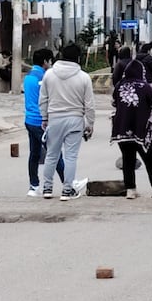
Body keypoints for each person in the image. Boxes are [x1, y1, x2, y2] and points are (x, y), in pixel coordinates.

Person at [39, 43, 95, 201]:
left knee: (51, 155)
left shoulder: (49, 75)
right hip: (75, 120)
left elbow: (43, 99)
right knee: (70, 157)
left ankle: (47, 188)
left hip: (54, 119)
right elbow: (89, 105)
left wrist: (44, 117)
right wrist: (90, 124)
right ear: (78, 58)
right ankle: (67, 190)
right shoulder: (84, 77)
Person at [111, 59, 152, 200]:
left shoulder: (119, 86)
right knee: (150, 160)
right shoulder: (146, 87)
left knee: (128, 159)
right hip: (140, 130)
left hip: (121, 130)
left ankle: (131, 190)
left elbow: (114, 102)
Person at [24, 49, 64, 196]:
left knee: (34, 154)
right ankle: (68, 182)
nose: (51, 64)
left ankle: (33, 186)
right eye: (50, 61)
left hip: (29, 120)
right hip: (40, 121)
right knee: (54, 152)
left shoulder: (28, 77)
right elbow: (48, 99)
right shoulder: (43, 77)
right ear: (45, 62)